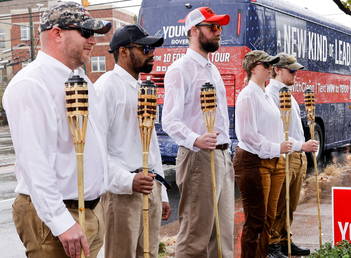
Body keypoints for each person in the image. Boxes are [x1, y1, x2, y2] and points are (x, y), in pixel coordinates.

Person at [2, 2, 113, 258]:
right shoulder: (31, 84)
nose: (92, 40)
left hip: (90, 209)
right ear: (57, 33)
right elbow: (34, 161)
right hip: (58, 214)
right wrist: (61, 222)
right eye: (85, 32)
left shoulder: (82, 80)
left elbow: (97, 144)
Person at [162, 6, 233, 258]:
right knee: (195, 236)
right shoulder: (180, 69)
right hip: (199, 157)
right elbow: (169, 119)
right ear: (193, 31)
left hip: (222, 156)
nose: (218, 32)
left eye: (220, 27)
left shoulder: (211, 69)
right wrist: (196, 139)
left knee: (222, 237)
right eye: (212, 27)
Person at [94, 24, 171, 258]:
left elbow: (151, 144)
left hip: (150, 186)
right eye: (145, 48)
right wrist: (127, 181)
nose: (152, 53)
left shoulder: (142, 88)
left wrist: (162, 190)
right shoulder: (106, 87)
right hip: (123, 193)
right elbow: (95, 148)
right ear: (124, 51)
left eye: (153, 48)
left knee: (149, 254)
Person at [234, 50, 294, 258]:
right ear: (252, 68)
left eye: (271, 66)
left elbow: (274, 130)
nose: (269, 69)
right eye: (265, 65)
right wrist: (276, 148)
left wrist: (288, 147)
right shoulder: (247, 95)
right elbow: (247, 134)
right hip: (253, 161)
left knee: (268, 218)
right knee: (256, 221)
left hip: (273, 160)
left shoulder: (266, 95)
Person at [266, 53, 319, 256]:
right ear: (277, 70)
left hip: (297, 155)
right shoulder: (271, 93)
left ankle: (285, 238)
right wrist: (300, 146)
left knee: (291, 203)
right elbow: (277, 129)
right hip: (286, 155)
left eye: (296, 70)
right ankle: (273, 244)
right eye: (291, 70)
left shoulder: (287, 92)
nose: (295, 74)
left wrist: (303, 148)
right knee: (279, 201)